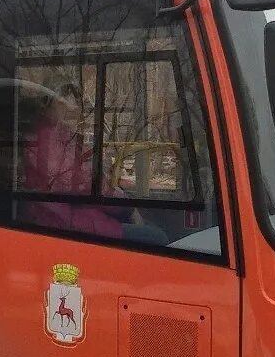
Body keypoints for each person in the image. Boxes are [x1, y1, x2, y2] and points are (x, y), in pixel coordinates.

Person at [22, 78, 167, 245]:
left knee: (148, 227)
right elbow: (83, 184)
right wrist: (126, 205)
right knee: (158, 238)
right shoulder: (48, 142)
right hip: (64, 221)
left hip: (69, 214)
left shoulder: (58, 136)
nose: (72, 107)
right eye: (62, 101)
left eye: (74, 102)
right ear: (47, 105)